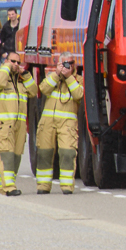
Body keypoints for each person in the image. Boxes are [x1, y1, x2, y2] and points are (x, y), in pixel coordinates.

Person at [0, 51, 37, 196]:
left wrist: (26, 74)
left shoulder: (21, 81)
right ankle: (9, 187)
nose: (15, 65)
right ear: (5, 61)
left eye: (18, 62)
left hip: (19, 125)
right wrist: (6, 68)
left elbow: (34, 91)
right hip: (3, 124)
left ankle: (2, 186)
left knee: (16, 156)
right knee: (6, 155)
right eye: (12, 61)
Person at [34, 55, 83, 194]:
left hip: (67, 124)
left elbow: (79, 95)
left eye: (70, 63)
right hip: (48, 122)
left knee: (67, 153)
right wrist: (56, 74)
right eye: (64, 63)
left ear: (74, 65)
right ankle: (43, 186)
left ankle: (67, 186)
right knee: (44, 153)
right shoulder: (52, 77)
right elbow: (43, 89)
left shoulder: (78, 80)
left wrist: (68, 78)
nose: (67, 66)